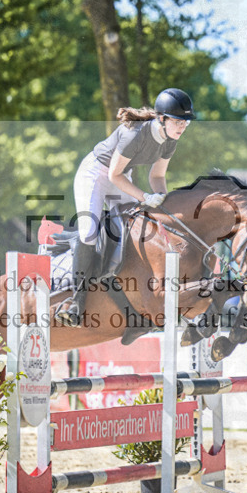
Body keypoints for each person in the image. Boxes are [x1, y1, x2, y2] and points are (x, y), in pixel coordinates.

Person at [60, 88, 196, 326]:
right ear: (161, 119)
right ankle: (75, 301)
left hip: (121, 175)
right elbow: (113, 174)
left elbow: (157, 176)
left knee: (134, 229)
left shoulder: (169, 141)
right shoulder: (135, 134)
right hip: (96, 173)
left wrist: (164, 201)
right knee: (89, 232)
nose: (182, 127)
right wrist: (144, 196)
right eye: (177, 121)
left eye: (185, 123)